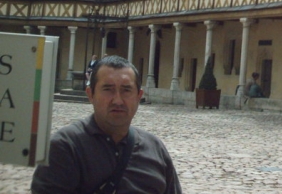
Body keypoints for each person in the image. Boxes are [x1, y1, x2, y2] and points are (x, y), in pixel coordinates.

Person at [32, 55, 182, 193]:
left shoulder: (155, 148)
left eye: (126, 90)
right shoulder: (65, 147)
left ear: (139, 96)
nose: (117, 100)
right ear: (90, 94)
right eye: (108, 89)